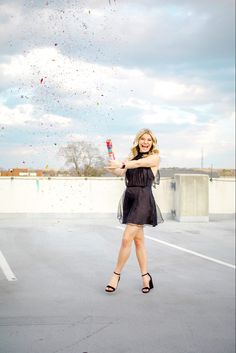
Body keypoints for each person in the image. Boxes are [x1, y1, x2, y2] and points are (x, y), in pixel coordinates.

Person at [105, 128, 163, 294]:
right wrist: (112, 164)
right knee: (139, 242)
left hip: (143, 199)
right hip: (130, 198)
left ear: (152, 143)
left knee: (126, 239)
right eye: (142, 139)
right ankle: (146, 277)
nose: (145, 142)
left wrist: (122, 164)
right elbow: (119, 172)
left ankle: (115, 275)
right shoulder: (130, 157)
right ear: (138, 141)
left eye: (149, 140)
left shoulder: (154, 157)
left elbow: (138, 164)